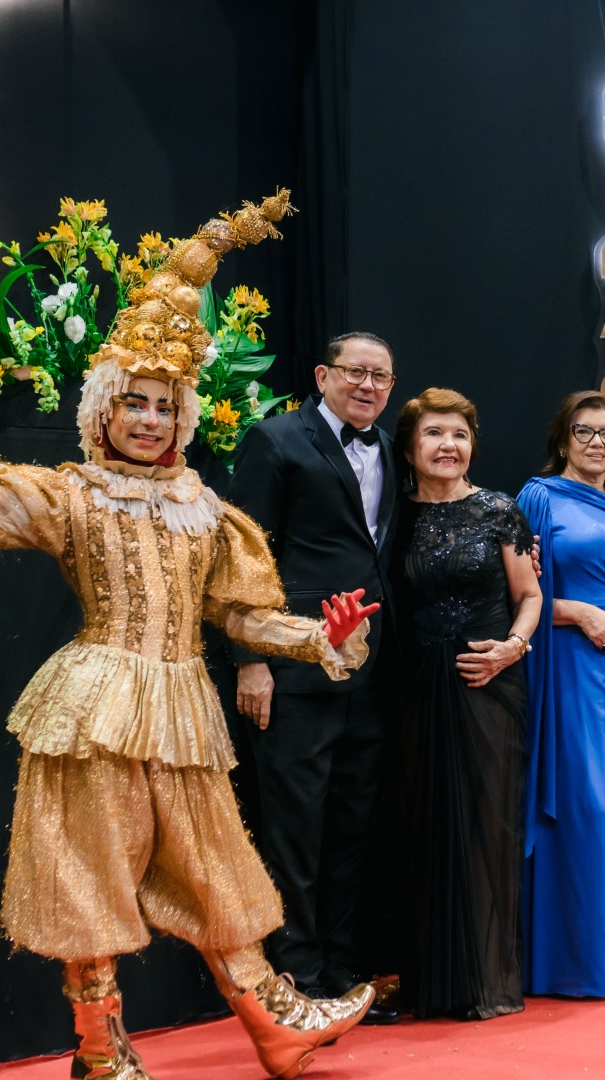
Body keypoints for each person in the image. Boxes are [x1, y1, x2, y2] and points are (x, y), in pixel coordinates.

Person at [0, 192, 379, 1080]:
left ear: (183, 416)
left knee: (218, 864)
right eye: (135, 404)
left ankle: (276, 1022)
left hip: (183, 708)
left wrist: (320, 636)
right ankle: (99, 1050)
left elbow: (240, 614)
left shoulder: (204, 509)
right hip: (95, 707)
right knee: (88, 872)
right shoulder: (76, 493)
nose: (151, 420)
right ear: (104, 412)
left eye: (165, 406)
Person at [227, 331, 402, 1025]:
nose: (368, 386)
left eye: (381, 377)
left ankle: (340, 972)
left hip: (371, 672)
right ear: (324, 375)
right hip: (295, 669)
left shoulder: (389, 447)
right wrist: (251, 660)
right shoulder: (274, 440)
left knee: (353, 827)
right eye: (356, 372)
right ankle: (295, 981)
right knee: (295, 829)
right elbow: (243, 556)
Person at [391, 387, 542, 1019]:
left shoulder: (500, 510)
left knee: (487, 827)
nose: (448, 445)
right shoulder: (391, 514)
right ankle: (429, 982)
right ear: (409, 447)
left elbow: (529, 596)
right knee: (421, 828)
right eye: (434, 433)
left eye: (459, 434)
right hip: (414, 687)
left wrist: (512, 648)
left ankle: (486, 981)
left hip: (489, 684)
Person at [516, 391, 605, 998]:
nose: (597, 442)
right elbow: (513, 591)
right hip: (566, 667)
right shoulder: (539, 497)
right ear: (563, 439)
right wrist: (577, 612)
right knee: (580, 804)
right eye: (584, 431)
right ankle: (564, 963)